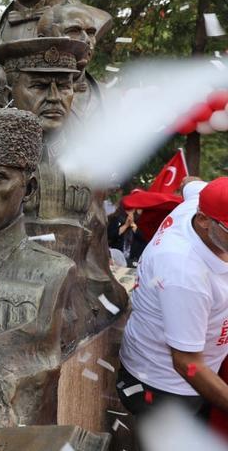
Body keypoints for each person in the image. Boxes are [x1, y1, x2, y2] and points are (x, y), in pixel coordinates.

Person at [118, 178, 228, 420]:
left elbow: (191, 181)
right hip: (166, 387)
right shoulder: (184, 273)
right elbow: (187, 364)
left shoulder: (201, 202)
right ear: (204, 220)